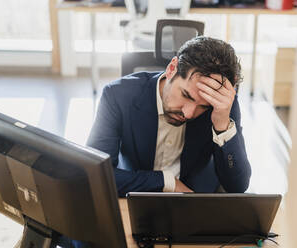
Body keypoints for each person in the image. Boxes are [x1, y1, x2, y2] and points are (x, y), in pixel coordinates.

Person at [87, 36, 251, 197]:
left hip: (195, 201)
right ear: (172, 69)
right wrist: (166, 182)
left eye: (203, 106)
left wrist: (221, 124)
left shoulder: (220, 104)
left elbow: (237, 186)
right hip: (138, 194)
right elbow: (96, 175)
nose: (189, 113)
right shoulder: (117, 95)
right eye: (186, 95)